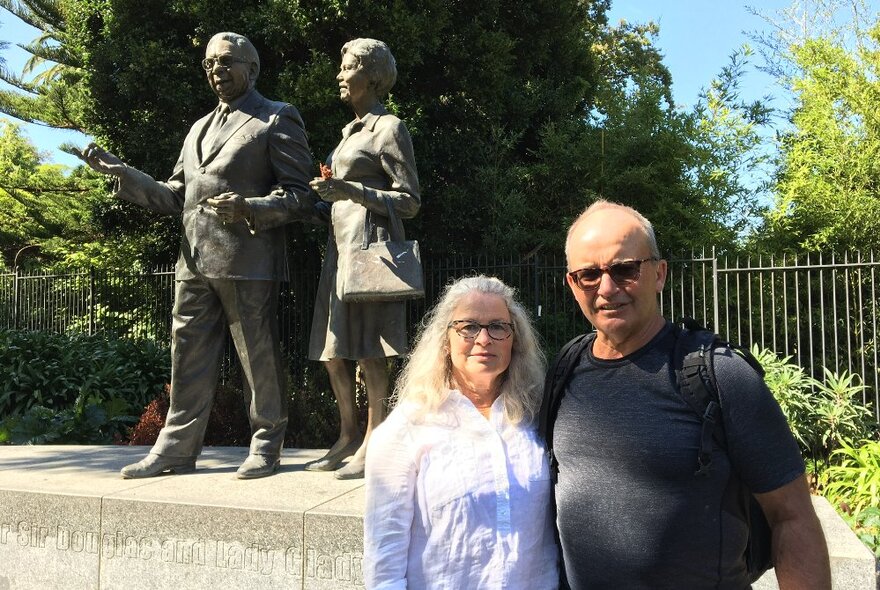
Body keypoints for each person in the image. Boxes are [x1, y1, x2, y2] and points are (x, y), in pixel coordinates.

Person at [550, 199, 831, 588]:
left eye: (625, 269)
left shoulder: (720, 375)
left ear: (660, 274)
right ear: (572, 284)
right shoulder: (566, 369)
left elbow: (792, 516)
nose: (608, 288)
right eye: (589, 275)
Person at [79, 32, 314, 480]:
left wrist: (251, 207)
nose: (216, 72)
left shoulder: (276, 118)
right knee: (186, 357)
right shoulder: (197, 129)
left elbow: (301, 198)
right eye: (209, 65)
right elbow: (175, 196)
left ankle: (266, 444)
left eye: (226, 63)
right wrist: (125, 174)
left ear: (252, 68)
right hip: (194, 259)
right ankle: (176, 449)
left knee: (256, 355)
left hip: (248, 259)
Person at [363, 275, 558, 589]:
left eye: (498, 326)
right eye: (468, 326)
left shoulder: (538, 418)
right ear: (445, 339)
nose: (484, 339)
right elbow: (383, 557)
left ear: (514, 339)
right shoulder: (407, 428)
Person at [305, 38, 420, 480]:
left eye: (347, 66)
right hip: (339, 250)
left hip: (373, 250)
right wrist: (319, 202)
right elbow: (339, 198)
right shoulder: (347, 134)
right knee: (334, 351)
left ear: (370, 76)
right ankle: (348, 434)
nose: (339, 74)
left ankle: (376, 440)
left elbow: (409, 201)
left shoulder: (389, 128)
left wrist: (351, 190)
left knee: (372, 350)